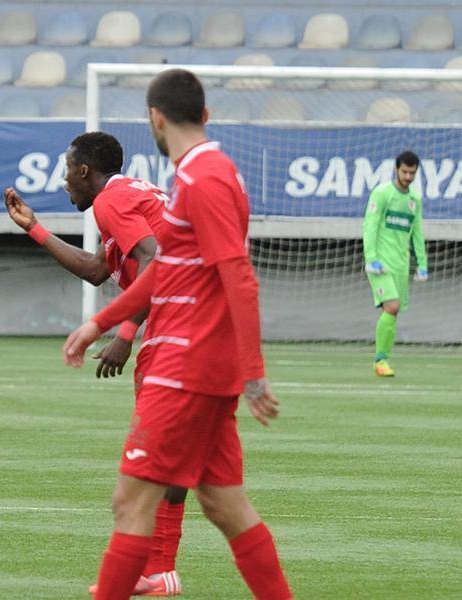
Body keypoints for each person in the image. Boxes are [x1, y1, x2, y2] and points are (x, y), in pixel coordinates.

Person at [63, 70, 293, 600]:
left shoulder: (204, 178)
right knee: (226, 505)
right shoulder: (199, 175)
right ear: (204, 115)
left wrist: (255, 374)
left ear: (156, 118)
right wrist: (100, 322)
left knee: (131, 503)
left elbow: (239, 276)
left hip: (185, 362)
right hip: (203, 363)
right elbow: (167, 269)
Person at [5, 131, 186, 597]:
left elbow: (156, 259)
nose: (65, 181)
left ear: (84, 170)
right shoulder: (130, 196)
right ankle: (161, 570)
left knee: (151, 459)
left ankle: (153, 570)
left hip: (175, 327)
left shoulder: (110, 201)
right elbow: (97, 269)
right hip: (193, 323)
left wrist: (124, 333)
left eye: (68, 171)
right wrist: (35, 228)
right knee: (182, 460)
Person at [363, 151, 428, 377]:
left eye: (412, 173)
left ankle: (383, 359)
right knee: (392, 306)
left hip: (401, 265)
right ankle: (380, 361)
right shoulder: (382, 193)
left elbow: (417, 232)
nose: (408, 177)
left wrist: (422, 263)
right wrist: (371, 258)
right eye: (404, 172)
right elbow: (370, 225)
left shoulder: (415, 200)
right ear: (396, 169)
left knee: (394, 311)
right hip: (380, 264)